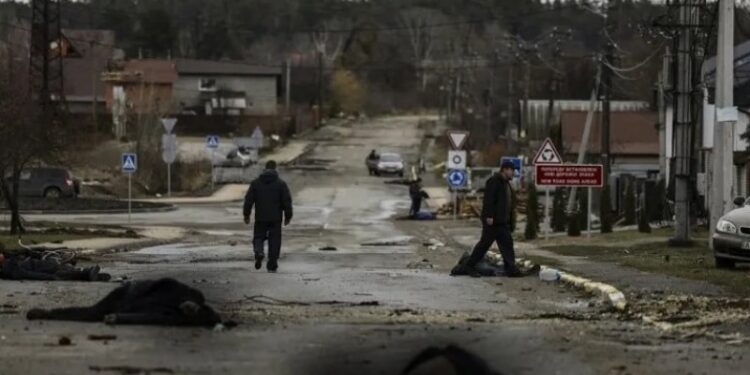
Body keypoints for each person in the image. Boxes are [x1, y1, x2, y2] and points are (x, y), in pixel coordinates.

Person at [461, 161, 521, 278]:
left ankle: (511, 269)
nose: (513, 173)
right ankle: (469, 265)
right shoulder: (494, 181)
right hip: (493, 221)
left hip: (502, 222)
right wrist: (489, 216)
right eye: (512, 170)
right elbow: (489, 200)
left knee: (507, 244)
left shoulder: (506, 184)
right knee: (484, 244)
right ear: (505, 170)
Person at [243, 160, 293, 273]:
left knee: (258, 237)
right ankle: (272, 263)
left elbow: (249, 201)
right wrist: (288, 216)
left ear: (265, 169)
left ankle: (259, 252)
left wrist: (246, 214)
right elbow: (287, 201)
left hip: (260, 217)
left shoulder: (256, 183)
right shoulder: (281, 184)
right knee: (275, 241)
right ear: (275, 169)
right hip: (276, 219)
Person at [0, 253, 110, 281]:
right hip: (40, 268)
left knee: (63, 270)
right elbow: (28, 274)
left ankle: (86, 274)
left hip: (39, 265)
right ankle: (86, 273)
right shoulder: (9, 268)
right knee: (60, 272)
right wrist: (48, 277)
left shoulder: (9, 262)